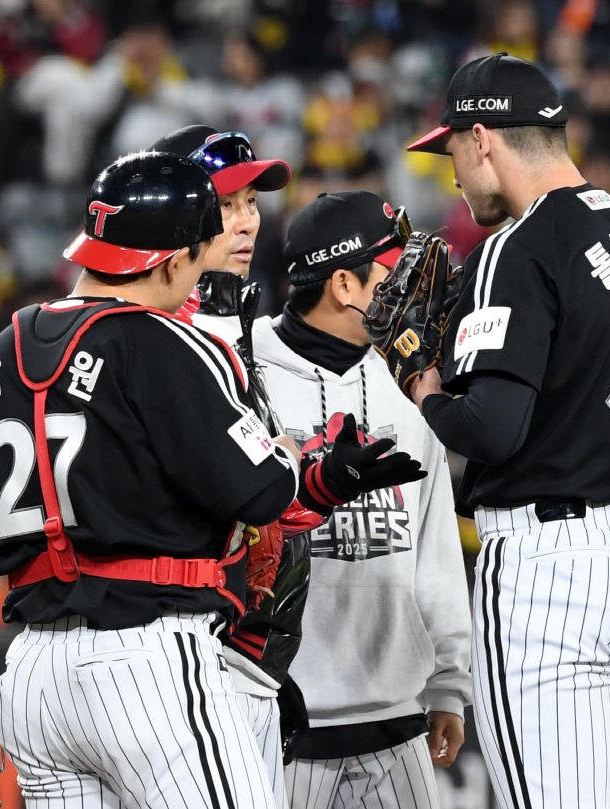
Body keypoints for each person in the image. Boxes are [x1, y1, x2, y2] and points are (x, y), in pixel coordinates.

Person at [0, 151, 426, 809]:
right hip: (144, 657)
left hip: (33, 673)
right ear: (173, 261)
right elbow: (263, 490)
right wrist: (303, 465)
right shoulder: (161, 340)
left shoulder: (2, 348)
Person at [405, 54, 610, 809]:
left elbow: (490, 430)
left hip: (549, 570)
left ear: (482, 138)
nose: (453, 175)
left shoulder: (516, 247)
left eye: (451, 151)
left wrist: (424, 390)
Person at [259, 190, 471, 809]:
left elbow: (434, 544)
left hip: (398, 718)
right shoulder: (246, 374)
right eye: (393, 273)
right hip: (279, 718)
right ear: (344, 284)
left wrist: (449, 682)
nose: (410, 291)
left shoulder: (411, 380)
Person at [150, 125, 310, 809]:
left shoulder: (226, 315)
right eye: (227, 204)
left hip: (240, 655)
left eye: (252, 204)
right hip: (191, 654)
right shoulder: (166, 328)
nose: (247, 222)